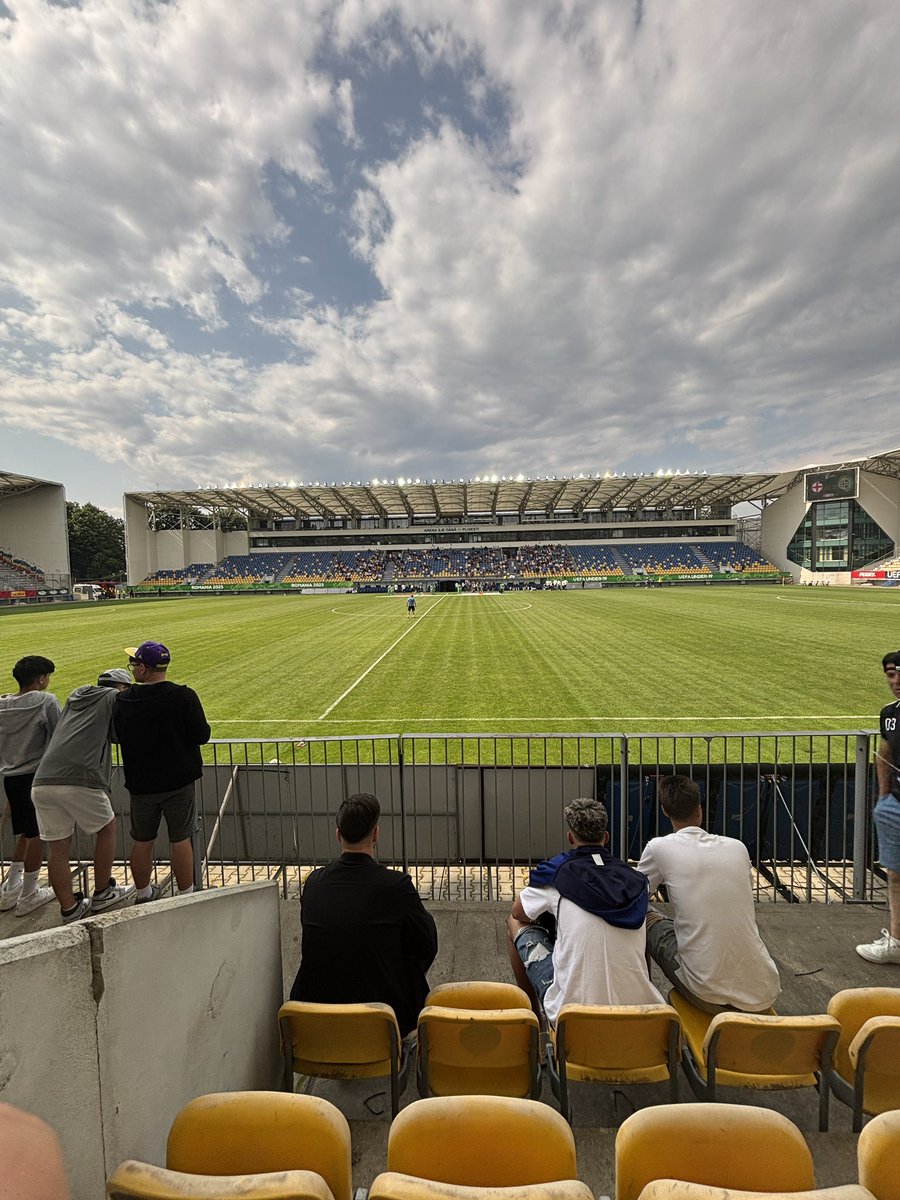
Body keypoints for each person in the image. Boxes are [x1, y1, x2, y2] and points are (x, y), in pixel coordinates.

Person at [290, 792, 438, 1036]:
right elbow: (426, 944)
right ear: (376, 834)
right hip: (384, 1023)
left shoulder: (314, 883)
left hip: (313, 1021)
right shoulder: (396, 886)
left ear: (338, 835)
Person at [508, 798, 662, 1025]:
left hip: (571, 1017)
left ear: (571, 838)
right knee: (641, 920)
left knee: (513, 922)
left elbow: (518, 912)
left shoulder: (556, 872)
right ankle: (639, 986)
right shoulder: (638, 881)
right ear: (606, 837)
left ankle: (536, 1023)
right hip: (643, 1014)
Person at [637, 774, 780, 1012]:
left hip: (706, 992)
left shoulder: (659, 847)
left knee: (644, 914)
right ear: (699, 810)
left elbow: (635, 898)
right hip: (764, 990)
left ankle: (642, 1009)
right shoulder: (737, 847)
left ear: (664, 811)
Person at [31, 668, 137, 923]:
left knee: (57, 845)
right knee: (108, 827)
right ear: (121, 688)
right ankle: (103, 891)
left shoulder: (77, 696)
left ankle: (69, 908)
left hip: (43, 780)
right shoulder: (113, 697)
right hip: (80, 778)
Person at [114, 641, 210, 903]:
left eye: (134, 664)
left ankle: (144, 894)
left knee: (142, 839)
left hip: (141, 783)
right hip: (179, 781)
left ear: (144, 669)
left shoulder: (123, 700)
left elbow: (117, 735)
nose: (132, 668)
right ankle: (185, 895)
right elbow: (202, 735)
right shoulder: (183, 696)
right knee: (181, 838)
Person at [0, 655, 60, 916]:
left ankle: (12, 886)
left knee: (25, 832)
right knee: (37, 835)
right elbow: (59, 733)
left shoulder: (2, 704)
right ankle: (29, 893)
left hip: (11, 777)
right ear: (41, 679)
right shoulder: (46, 700)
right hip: (37, 776)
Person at [856, 651, 900, 964]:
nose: (895, 681)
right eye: (890, 675)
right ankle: (896, 942)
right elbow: (884, 753)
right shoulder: (889, 714)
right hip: (894, 807)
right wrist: (884, 798)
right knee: (895, 877)